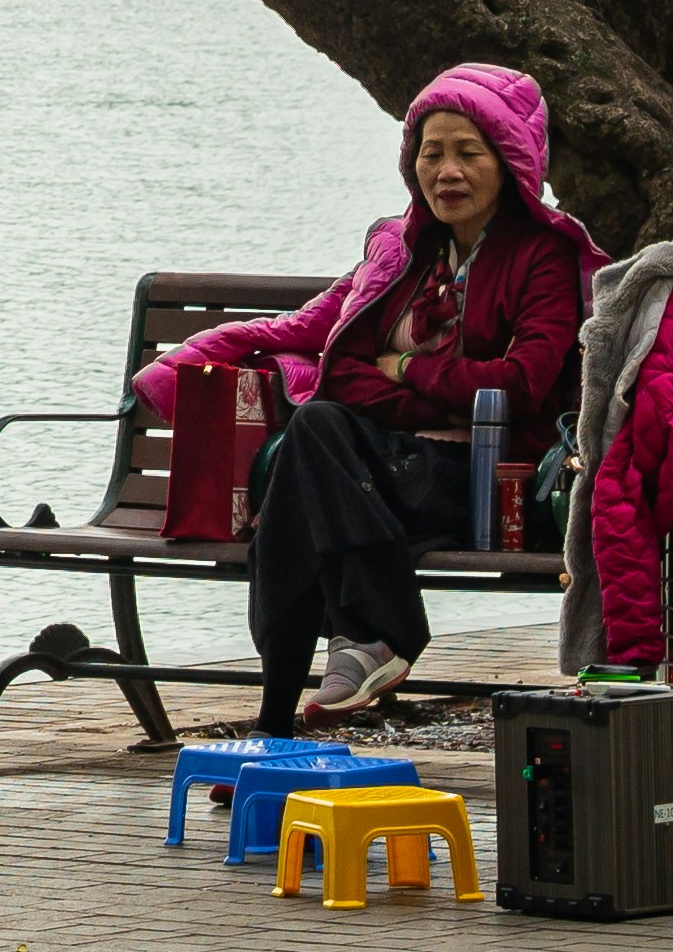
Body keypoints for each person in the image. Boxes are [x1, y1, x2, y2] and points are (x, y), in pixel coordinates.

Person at [129, 66, 607, 730]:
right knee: (314, 440)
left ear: (509, 161)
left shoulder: (541, 257)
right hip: (381, 480)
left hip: (479, 484)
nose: (446, 170)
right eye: (430, 152)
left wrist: (407, 366)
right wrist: (439, 396)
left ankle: (317, 690)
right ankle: (340, 668)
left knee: (305, 466)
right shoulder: (401, 250)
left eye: (467, 152)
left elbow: (521, 383)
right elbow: (344, 370)